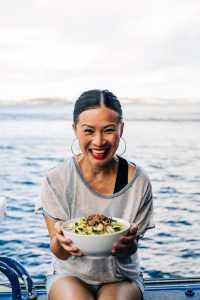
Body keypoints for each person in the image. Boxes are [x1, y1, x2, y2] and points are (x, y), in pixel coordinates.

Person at [36, 89, 155, 300]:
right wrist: (60, 241)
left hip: (122, 277)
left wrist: (130, 245)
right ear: (75, 130)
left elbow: (129, 251)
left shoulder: (139, 181)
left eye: (108, 130)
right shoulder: (56, 179)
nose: (99, 141)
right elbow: (60, 251)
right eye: (88, 131)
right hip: (69, 275)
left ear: (121, 129)